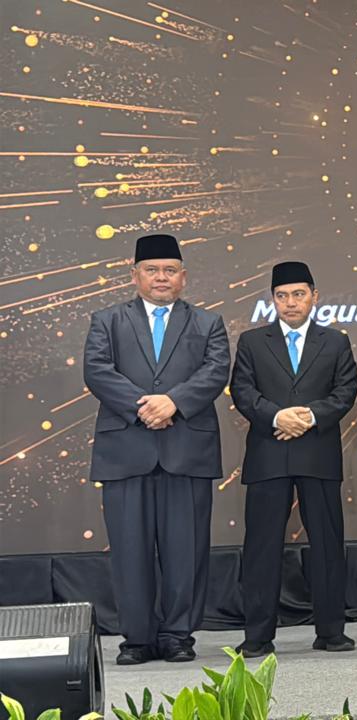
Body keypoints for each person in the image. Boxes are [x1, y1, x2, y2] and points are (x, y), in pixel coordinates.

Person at [83, 234, 230, 664]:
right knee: (129, 550)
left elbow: (215, 370)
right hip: (126, 452)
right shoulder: (107, 320)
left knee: (187, 550)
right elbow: (97, 370)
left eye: (169, 270)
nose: (161, 277)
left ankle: (178, 636)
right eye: (152, 270)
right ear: (135, 275)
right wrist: (144, 407)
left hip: (187, 450)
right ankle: (137, 639)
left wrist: (174, 403)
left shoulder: (208, 323)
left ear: (183, 277)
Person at [230, 262, 357, 657]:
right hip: (268, 453)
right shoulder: (253, 341)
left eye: (298, 294)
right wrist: (277, 417)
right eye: (282, 296)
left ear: (314, 297)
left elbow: (346, 389)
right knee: (261, 547)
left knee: (327, 544)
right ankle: (257, 635)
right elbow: (242, 390)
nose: (290, 302)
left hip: (317, 452)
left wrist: (308, 417)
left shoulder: (335, 341)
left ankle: (331, 631)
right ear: (273, 299)